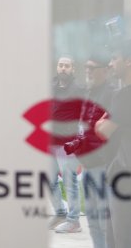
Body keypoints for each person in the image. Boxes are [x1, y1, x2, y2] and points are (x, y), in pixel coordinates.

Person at [95, 38, 131, 247]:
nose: (110, 64)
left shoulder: (126, 94)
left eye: (114, 58)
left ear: (129, 61)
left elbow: (103, 130)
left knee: (121, 240)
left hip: (124, 177)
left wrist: (101, 122)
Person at [65, 51, 116, 248]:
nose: (87, 72)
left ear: (105, 70)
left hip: (103, 166)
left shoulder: (113, 94)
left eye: (92, 68)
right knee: (93, 222)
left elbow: (113, 132)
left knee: (104, 223)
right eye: (86, 68)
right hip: (87, 165)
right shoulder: (89, 92)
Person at [49, 56, 85, 233]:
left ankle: (74, 220)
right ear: (57, 67)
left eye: (67, 66)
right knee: (49, 180)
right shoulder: (50, 86)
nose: (63, 68)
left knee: (70, 183)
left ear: (72, 69)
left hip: (67, 144)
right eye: (60, 65)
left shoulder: (78, 89)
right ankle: (60, 213)